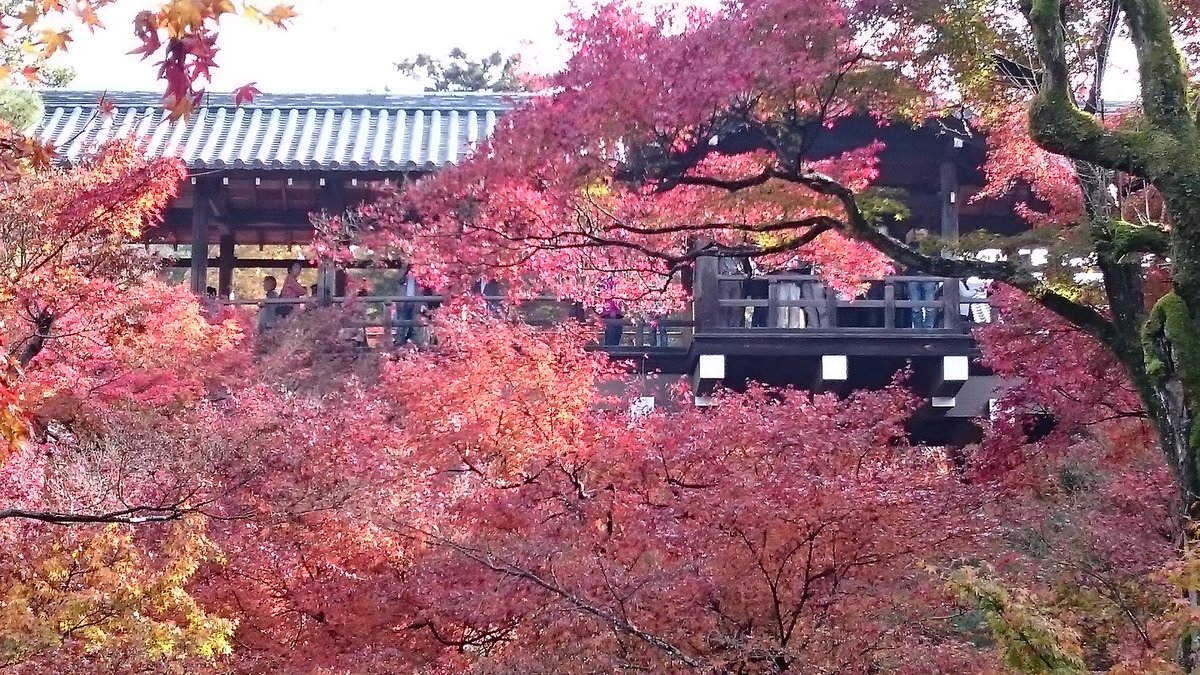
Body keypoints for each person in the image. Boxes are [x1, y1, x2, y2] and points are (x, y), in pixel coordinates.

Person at [904, 229, 940, 328]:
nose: (920, 236)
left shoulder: (933, 248)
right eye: (917, 234)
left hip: (928, 277)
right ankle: (917, 329)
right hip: (913, 276)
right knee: (915, 307)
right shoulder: (910, 247)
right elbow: (906, 260)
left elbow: (938, 262)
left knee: (930, 307)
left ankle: (928, 329)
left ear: (927, 234)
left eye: (922, 234)